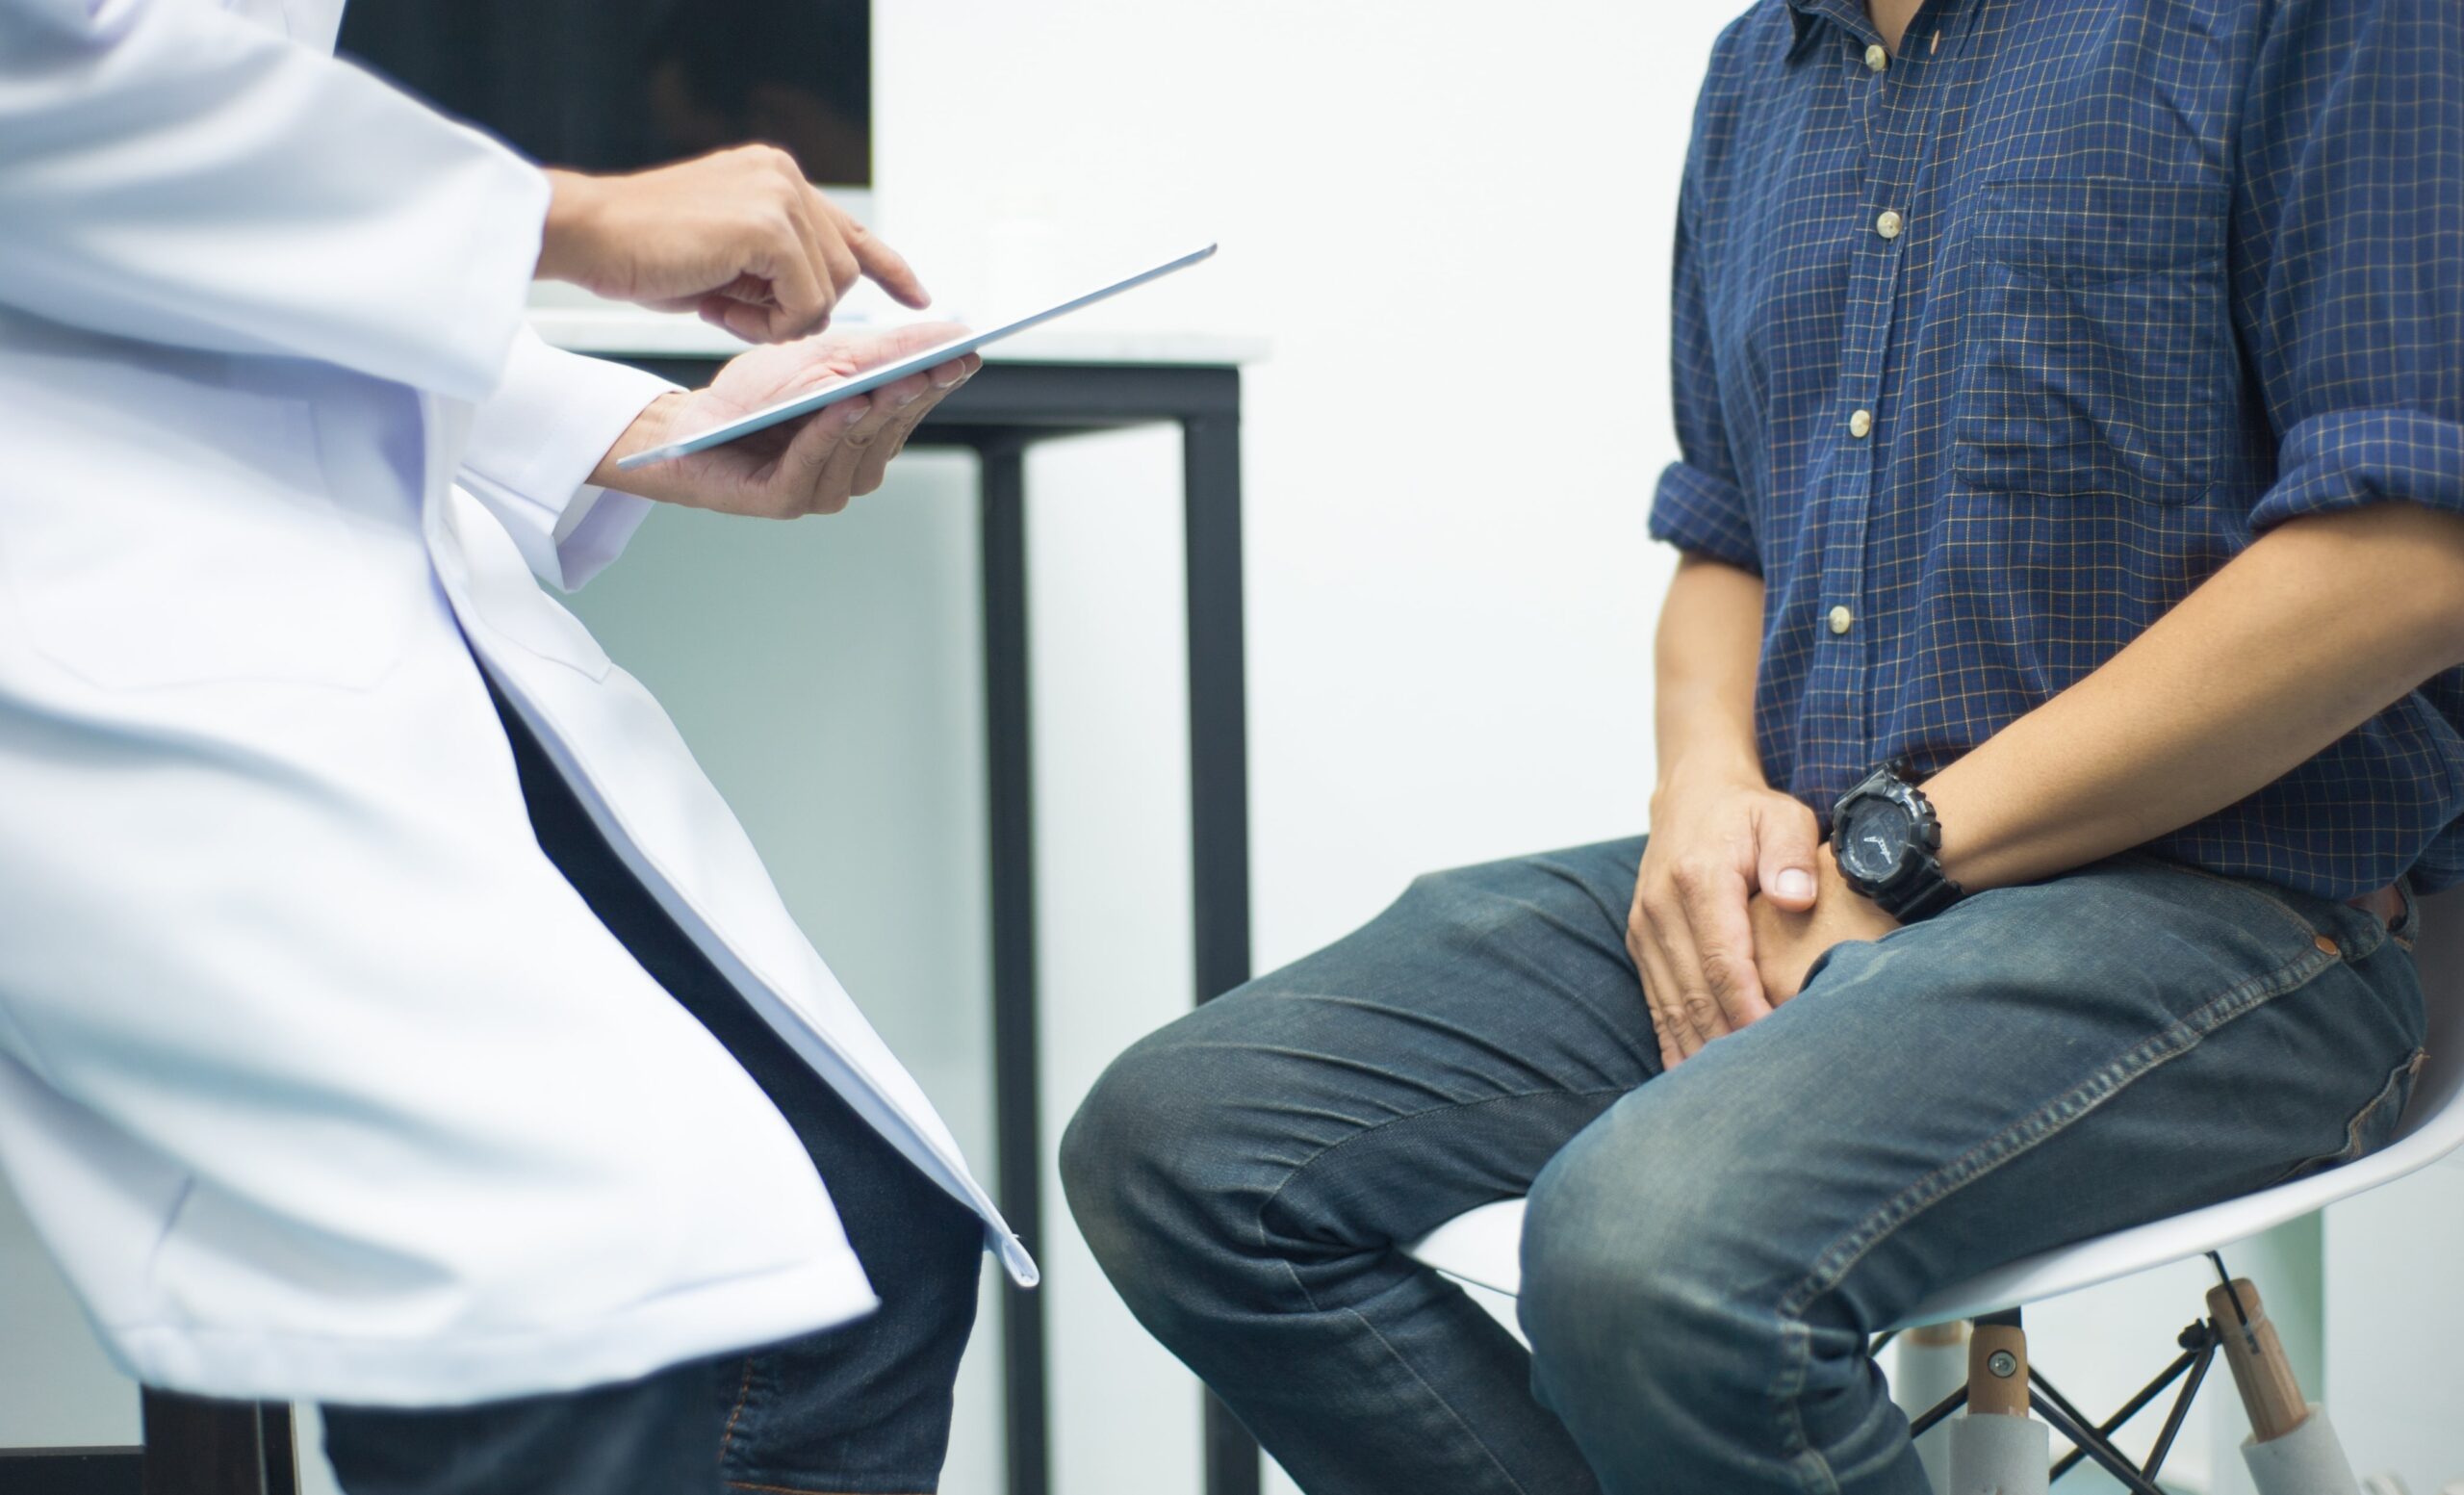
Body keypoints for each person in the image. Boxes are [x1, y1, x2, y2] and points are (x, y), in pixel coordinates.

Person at [1062, 0, 2464, 1490]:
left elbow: (2406, 558)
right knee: (1186, 1149)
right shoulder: (1758, 72)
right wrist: (1705, 794)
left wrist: (1909, 847)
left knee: (1648, 1253)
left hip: (2238, 911)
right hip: (1826, 890)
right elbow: (1722, 537)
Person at [0, 1, 1014, 1491]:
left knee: (866, 1234)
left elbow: (172, 224)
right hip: (96, 584)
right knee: (586, 1296)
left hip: (248, 545)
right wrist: (569, 216)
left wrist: (629, 427)